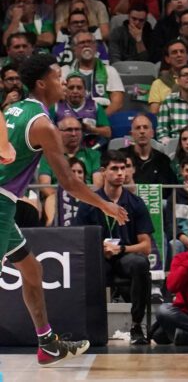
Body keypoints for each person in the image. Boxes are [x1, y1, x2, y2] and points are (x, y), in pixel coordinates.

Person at [2, 54, 129, 364]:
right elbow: (69, 184)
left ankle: (47, 343)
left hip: (5, 202)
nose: (62, 83)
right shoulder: (43, 124)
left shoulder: (12, 109)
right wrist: (106, 205)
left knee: (32, 269)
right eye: (58, 77)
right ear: (42, 83)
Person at [73, 150, 152, 345]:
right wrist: (100, 246)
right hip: (99, 257)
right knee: (86, 268)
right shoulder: (89, 203)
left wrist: (122, 249)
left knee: (140, 263)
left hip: (124, 257)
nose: (120, 173)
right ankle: (88, 327)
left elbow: (146, 246)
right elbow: (77, 239)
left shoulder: (135, 203)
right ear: (103, 172)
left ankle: (136, 326)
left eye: (123, 168)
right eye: (114, 168)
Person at [119, 114, 176, 187]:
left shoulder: (163, 160)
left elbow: (170, 190)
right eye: (138, 128)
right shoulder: (121, 157)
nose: (142, 131)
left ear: (152, 133)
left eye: (145, 127)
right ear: (131, 134)